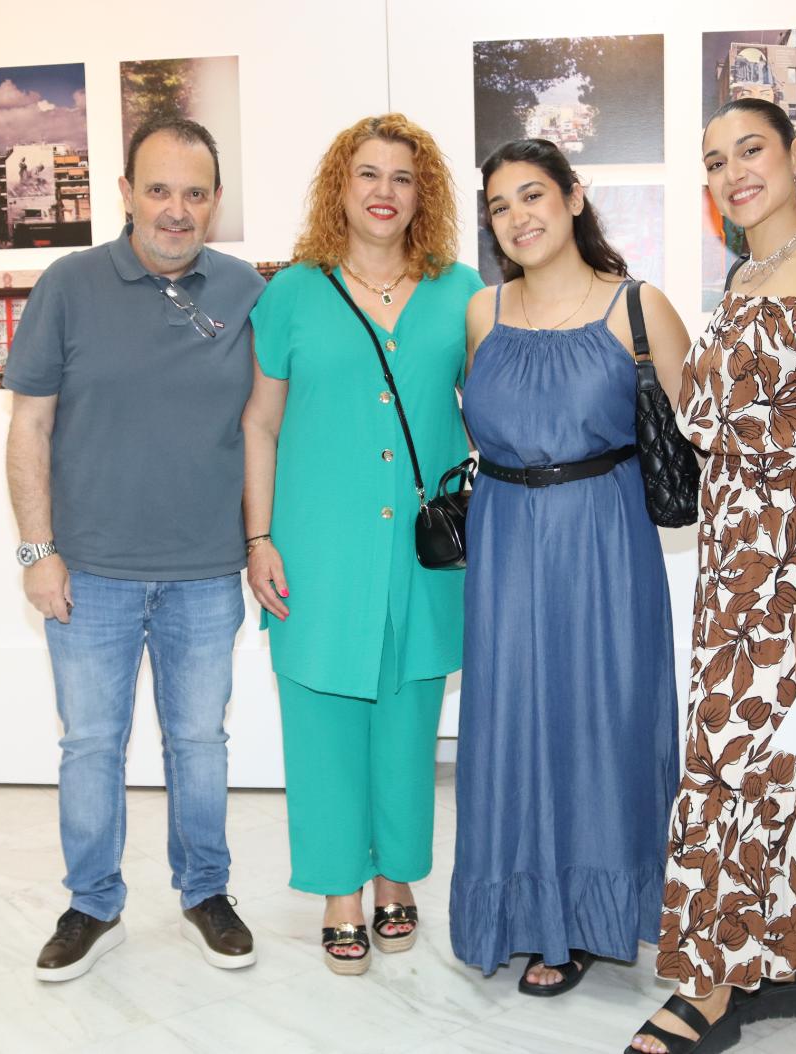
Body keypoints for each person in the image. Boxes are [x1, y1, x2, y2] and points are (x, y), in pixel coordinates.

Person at [626, 97, 796, 1053]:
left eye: (750, 150)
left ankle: (710, 991)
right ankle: (786, 965)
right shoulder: (746, 276)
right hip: (736, 557)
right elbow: (712, 416)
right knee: (778, 761)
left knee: (741, 766)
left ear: (795, 155)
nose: (733, 172)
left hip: (795, 561)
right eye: (715, 161)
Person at [3, 115, 266, 983]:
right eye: (158, 190)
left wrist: (262, 539)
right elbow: (29, 425)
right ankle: (92, 905)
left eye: (194, 193)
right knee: (90, 745)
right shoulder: (68, 284)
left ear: (215, 201)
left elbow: (267, 424)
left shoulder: (246, 291)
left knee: (199, 743)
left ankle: (205, 893)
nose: (175, 210)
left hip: (205, 572)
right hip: (90, 574)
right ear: (124, 193)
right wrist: (36, 552)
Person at [242, 113, 482, 975]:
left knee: (409, 719)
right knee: (321, 718)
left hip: (422, 552)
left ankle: (396, 877)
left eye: (403, 177)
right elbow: (260, 423)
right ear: (339, 188)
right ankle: (339, 889)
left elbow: (497, 411)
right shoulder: (292, 294)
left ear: (424, 195)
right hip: (317, 546)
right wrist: (258, 536)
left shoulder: (462, 293)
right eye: (368, 174)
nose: (385, 192)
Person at [452, 138, 687, 995]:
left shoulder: (638, 308)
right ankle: (521, 911)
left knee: (601, 723)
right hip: (506, 545)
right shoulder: (482, 314)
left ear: (574, 197)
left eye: (533, 195)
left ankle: (591, 920)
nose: (518, 216)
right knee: (512, 724)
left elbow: (709, 437)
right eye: (500, 205)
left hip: (605, 546)